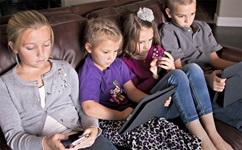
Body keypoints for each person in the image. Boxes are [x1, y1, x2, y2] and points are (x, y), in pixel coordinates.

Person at [78, 17, 202, 149]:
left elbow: (131, 91)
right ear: (89, 48)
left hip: (131, 113)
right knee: (147, 138)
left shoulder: (118, 64)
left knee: (165, 127)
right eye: (106, 52)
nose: (111, 57)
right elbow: (89, 107)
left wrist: (152, 100)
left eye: (115, 51)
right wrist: (121, 115)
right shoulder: (89, 73)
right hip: (108, 121)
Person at [0, 10, 117, 150]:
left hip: (80, 137)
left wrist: (93, 128)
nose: (41, 53)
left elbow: (82, 108)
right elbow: (14, 137)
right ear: (14, 47)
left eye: (46, 44)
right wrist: (45, 144)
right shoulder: (5, 85)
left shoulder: (64, 69)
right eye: (30, 48)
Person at [120, 7, 232, 150]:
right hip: (155, 108)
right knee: (178, 74)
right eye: (141, 42)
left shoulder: (156, 51)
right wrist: (155, 77)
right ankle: (201, 138)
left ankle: (212, 132)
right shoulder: (123, 63)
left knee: (193, 68)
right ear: (128, 38)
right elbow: (133, 93)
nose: (147, 46)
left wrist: (170, 69)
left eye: (150, 39)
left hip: (177, 103)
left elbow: (174, 81)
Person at [160, 0, 242, 133]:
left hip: (214, 77)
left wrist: (237, 66)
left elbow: (214, 59)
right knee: (231, 110)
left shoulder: (203, 27)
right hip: (194, 84)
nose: (188, 20)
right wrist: (208, 79)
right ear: (169, 13)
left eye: (192, 13)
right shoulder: (169, 31)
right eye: (181, 16)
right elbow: (178, 70)